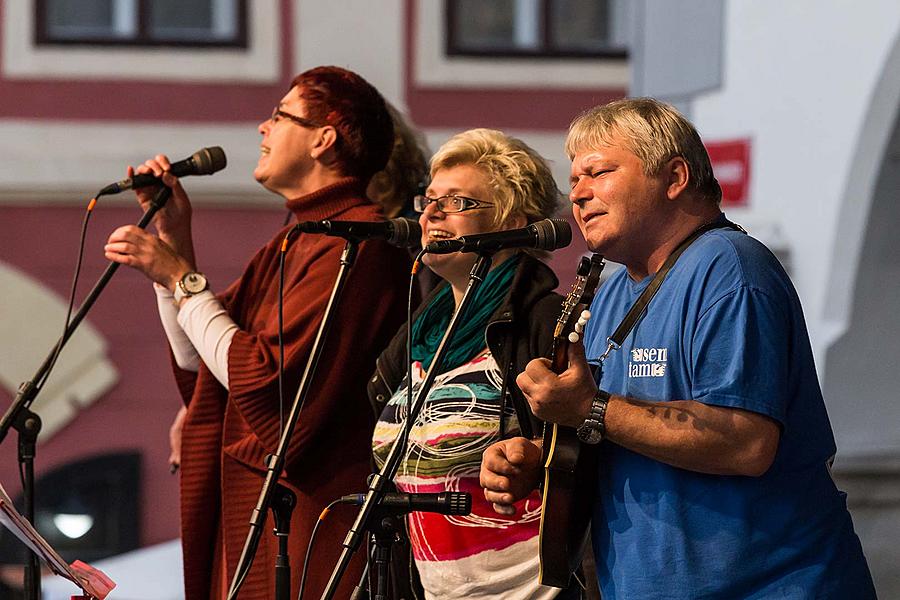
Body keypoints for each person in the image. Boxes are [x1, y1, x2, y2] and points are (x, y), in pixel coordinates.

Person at [480, 98, 876, 598]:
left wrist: (588, 406)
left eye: (598, 173)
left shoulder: (731, 270)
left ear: (674, 178)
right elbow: (622, 428)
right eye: (574, 181)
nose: (577, 196)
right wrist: (541, 457)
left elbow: (747, 443)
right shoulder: (613, 291)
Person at [104, 66, 411, 600]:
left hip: (310, 529)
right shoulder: (296, 240)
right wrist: (174, 246)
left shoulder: (356, 245)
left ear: (324, 138)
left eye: (279, 116)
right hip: (260, 516)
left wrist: (180, 275)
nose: (262, 129)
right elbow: (208, 364)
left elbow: (267, 384)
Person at [369, 128, 572, 599]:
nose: (433, 213)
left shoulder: (546, 322)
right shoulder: (416, 334)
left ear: (513, 221)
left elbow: (585, 451)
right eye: (429, 200)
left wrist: (538, 455)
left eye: (458, 202)